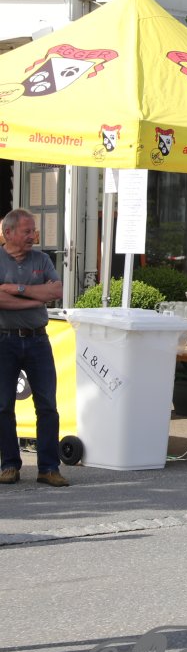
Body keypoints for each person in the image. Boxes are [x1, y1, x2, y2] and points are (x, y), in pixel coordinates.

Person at [0, 208, 68, 487]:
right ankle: (9, 465)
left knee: (48, 406)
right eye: (27, 231)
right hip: (4, 340)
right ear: (8, 233)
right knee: (3, 406)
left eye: (34, 230)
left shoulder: (42, 259)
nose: (33, 236)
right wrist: (36, 300)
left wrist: (15, 289)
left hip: (39, 340)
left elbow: (57, 291)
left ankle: (49, 468)